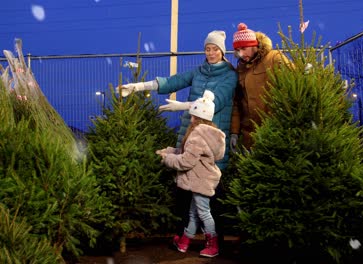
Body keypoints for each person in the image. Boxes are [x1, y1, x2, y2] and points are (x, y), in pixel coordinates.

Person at [117, 30, 237, 170]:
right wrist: (137, 87)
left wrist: (181, 106)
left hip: (211, 136)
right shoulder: (198, 72)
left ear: (222, 51)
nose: (211, 53)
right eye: (207, 49)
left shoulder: (230, 76)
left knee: (205, 181)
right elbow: (172, 82)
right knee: (187, 178)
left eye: (215, 49)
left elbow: (214, 103)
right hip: (190, 132)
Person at [156, 90, 225, 258]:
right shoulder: (208, 134)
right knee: (194, 213)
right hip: (202, 179)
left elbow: (186, 161)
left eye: (192, 115)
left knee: (203, 212)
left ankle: (213, 244)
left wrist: (167, 159)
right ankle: (184, 242)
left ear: (196, 117)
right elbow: (187, 152)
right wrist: (169, 151)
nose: (190, 118)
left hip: (200, 181)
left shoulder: (196, 136)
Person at [229, 22, 290, 151]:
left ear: (254, 45)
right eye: (237, 51)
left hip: (274, 131)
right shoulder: (241, 68)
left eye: (244, 49)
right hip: (249, 136)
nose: (241, 54)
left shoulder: (274, 58)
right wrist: (234, 132)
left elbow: (295, 84)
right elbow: (237, 102)